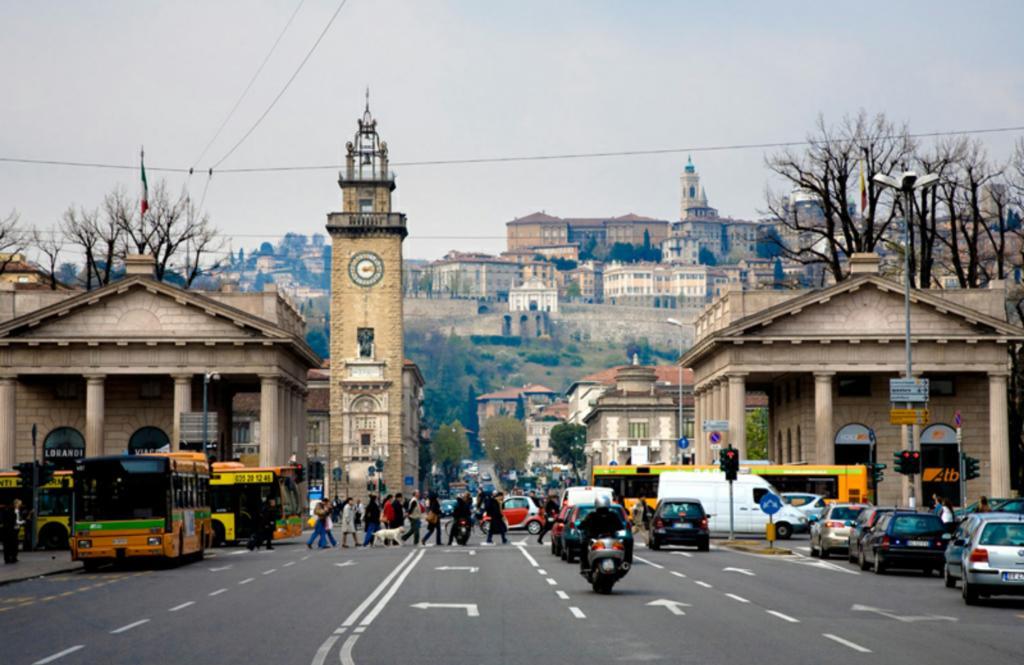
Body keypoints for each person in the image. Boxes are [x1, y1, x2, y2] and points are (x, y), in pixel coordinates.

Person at [578, 495, 627, 573]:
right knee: (624, 545)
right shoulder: (613, 515)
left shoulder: (592, 515)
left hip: (596, 539)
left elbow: (582, 525)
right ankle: (624, 563)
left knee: (584, 545)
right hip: (610, 539)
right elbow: (620, 526)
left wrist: (582, 527)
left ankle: (585, 565)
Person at [2, 498, 26, 564]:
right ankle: (10, 558)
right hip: (10, 531)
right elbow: (15, 521)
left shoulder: (15, 510)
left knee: (12, 545)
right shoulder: (12, 511)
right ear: (15, 504)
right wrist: (23, 522)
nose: (20, 505)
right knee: (11, 545)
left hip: (13, 530)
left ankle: (11, 558)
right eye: (19, 504)